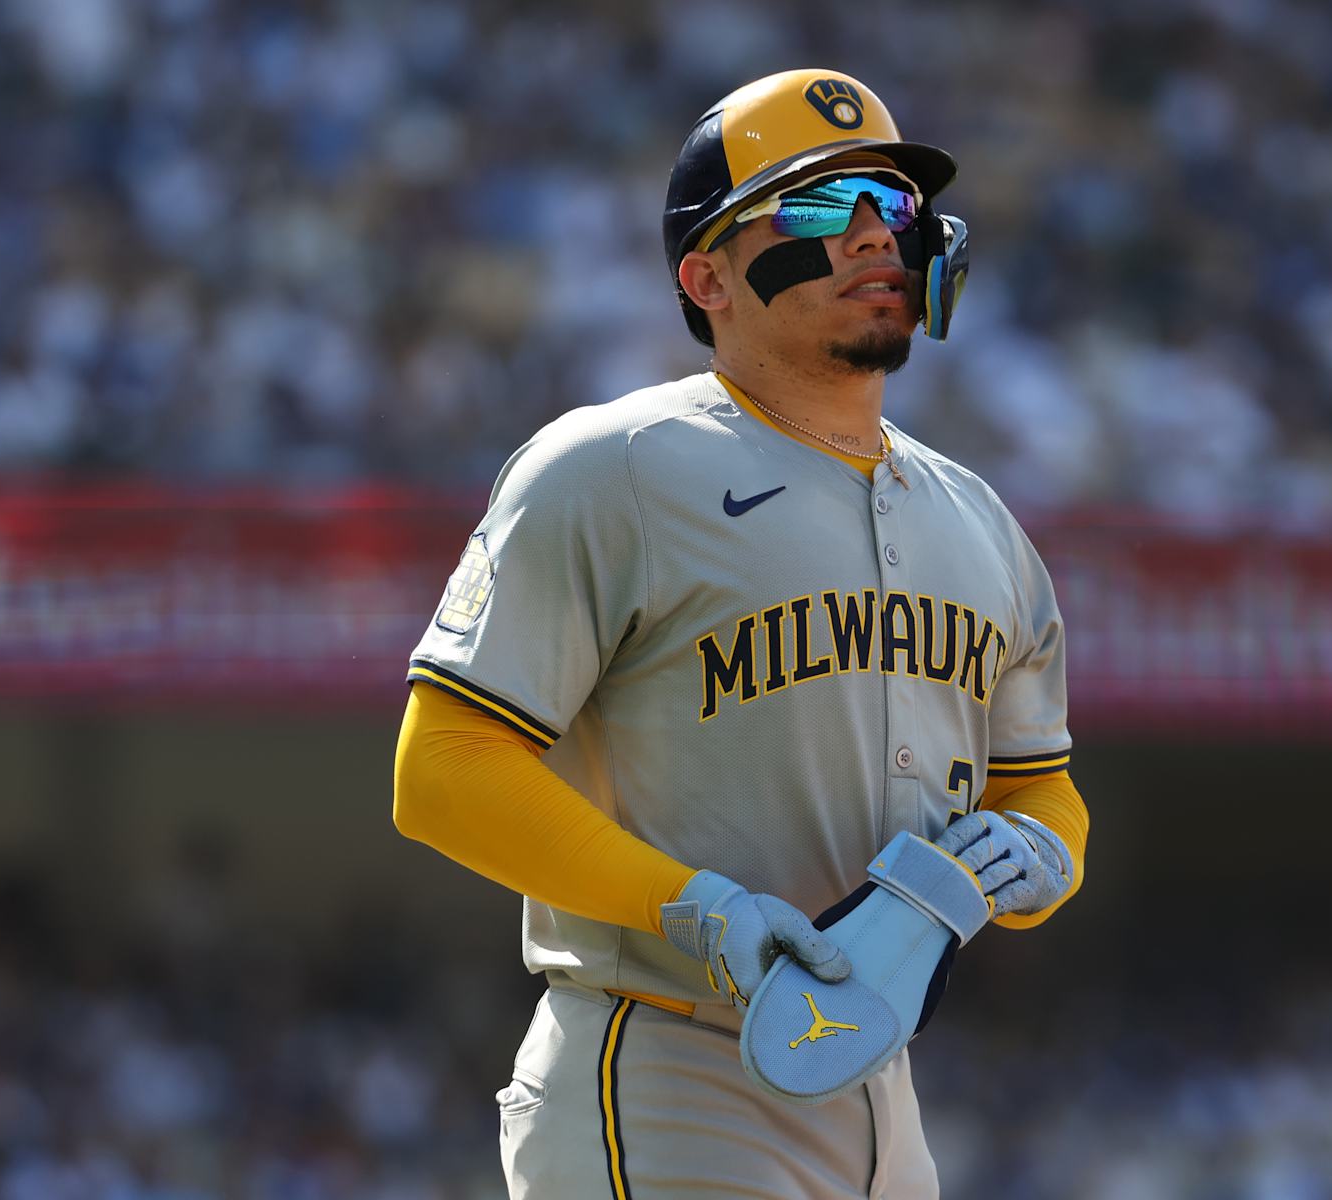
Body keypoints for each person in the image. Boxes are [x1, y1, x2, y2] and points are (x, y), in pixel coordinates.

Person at [392, 67, 1088, 1199]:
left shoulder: (984, 524)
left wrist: (1043, 858)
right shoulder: (611, 468)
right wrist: (695, 911)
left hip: (883, 1086)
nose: (874, 235)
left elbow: (1039, 792)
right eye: (817, 206)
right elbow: (442, 771)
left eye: (895, 208)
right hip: (668, 1061)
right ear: (706, 275)